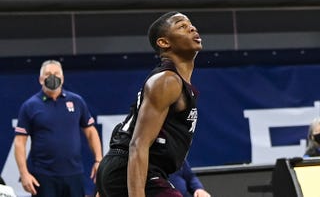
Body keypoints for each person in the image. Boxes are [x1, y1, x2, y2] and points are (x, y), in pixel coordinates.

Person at [95, 12, 202, 197]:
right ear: (164, 42)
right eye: (181, 26)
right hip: (128, 168)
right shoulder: (167, 81)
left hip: (129, 169)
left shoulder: (176, 82)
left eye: (191, 24)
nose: (192, 28)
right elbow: (138, 144)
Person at [14, 59, 103, 197]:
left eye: (56, 73)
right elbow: (20, 142)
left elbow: (91, 132)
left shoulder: (76, 101)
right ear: (40, 79)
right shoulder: (30, 106)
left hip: (74, 176)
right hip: (43, 177)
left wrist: (99, 160)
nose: (52, 77)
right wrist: (24, 173)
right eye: (48, 74)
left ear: (62, 77)